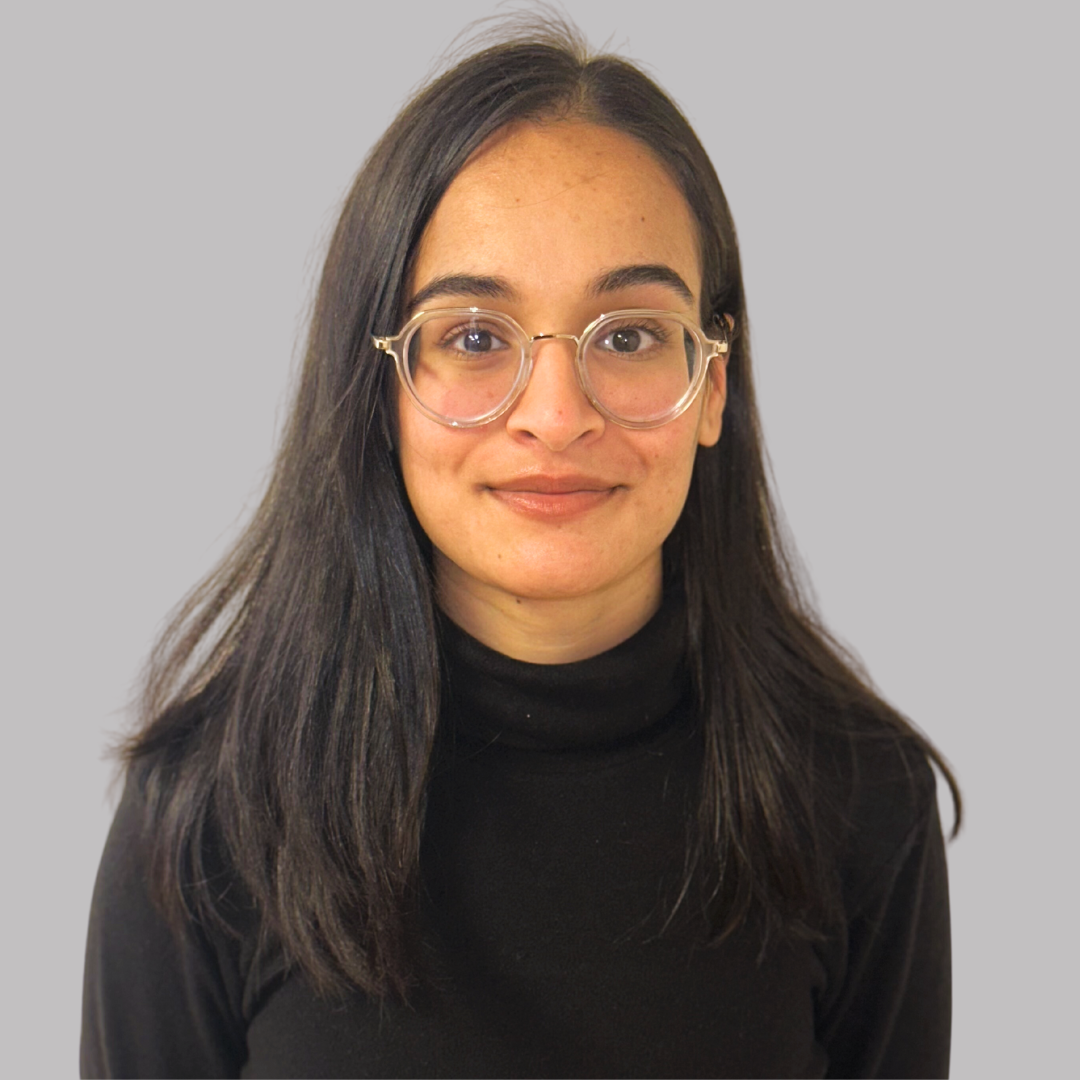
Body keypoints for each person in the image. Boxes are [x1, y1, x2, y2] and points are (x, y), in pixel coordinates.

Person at [81, 16, 960, 1079]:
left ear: (712, 384)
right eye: (473, 336)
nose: (555, 415)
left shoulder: (861, 801)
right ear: (381, 387)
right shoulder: (205, 820)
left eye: (628, 336)